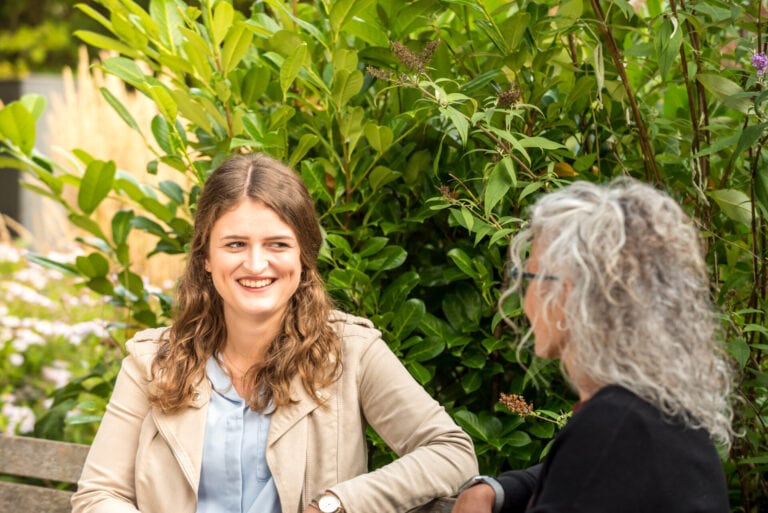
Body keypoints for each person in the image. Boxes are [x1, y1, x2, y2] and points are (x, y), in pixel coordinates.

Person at [71, 153, 478, 513]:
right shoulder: (152, 361)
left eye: (278, 244)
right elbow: (98, 494)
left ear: (304, 256)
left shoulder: (352, 353)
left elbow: (452, 453)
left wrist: (340, 504)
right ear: (206, 258)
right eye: (234, 244)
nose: (256, 263)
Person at [452, 178, 733, 513]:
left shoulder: (610, 427)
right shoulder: (659, 412)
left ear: (567, 295)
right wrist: (495, 490)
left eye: (529, 278)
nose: (523, 299)